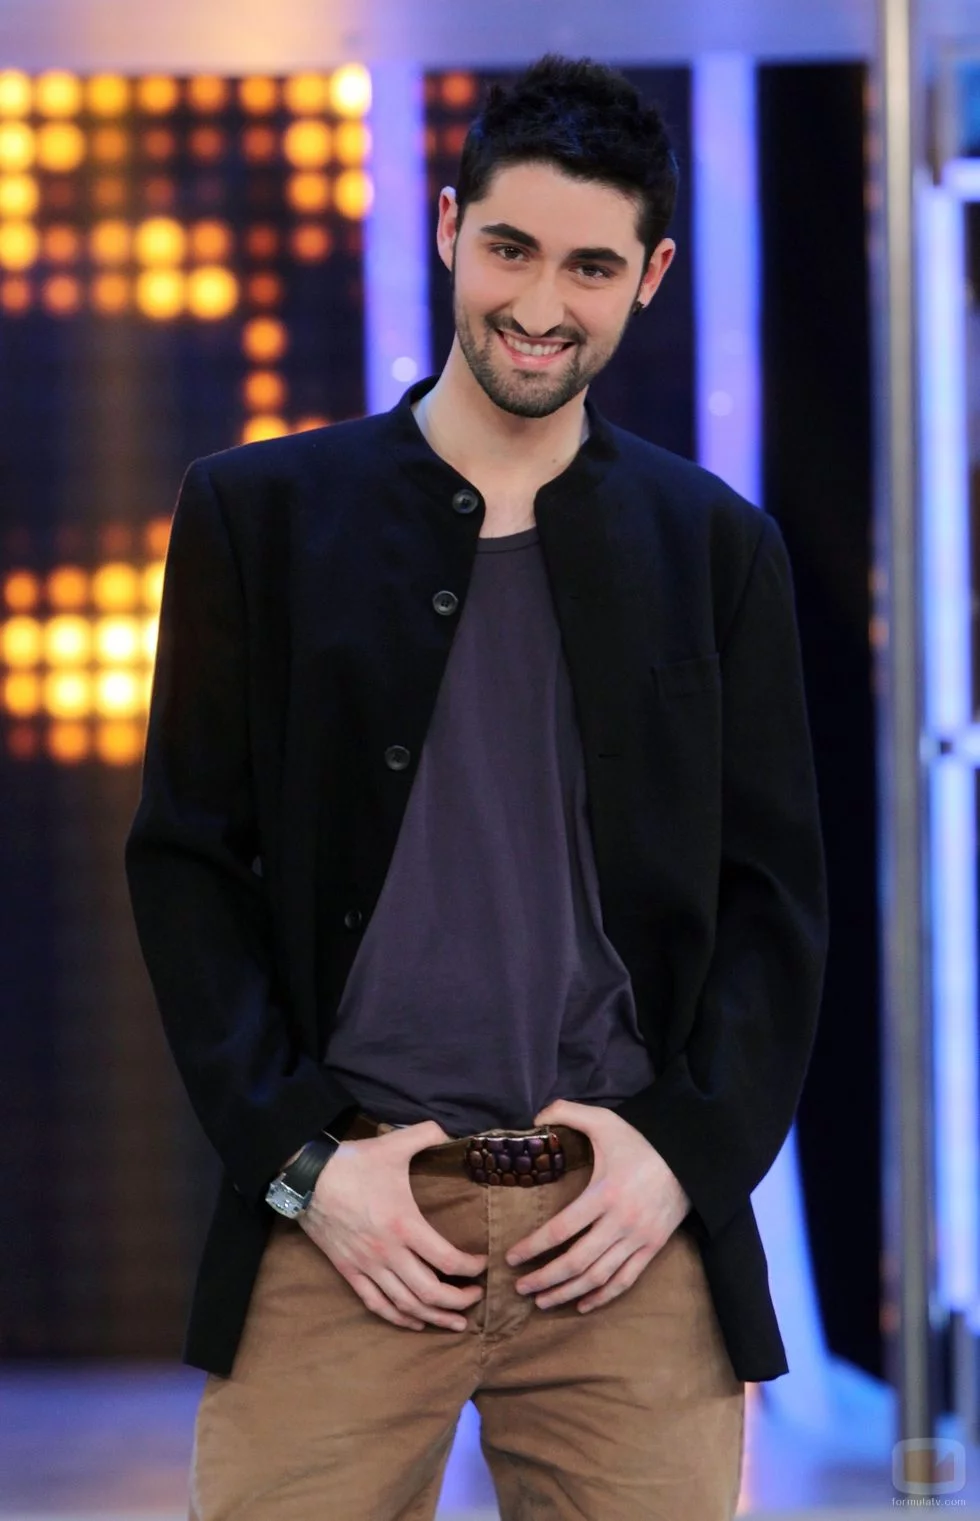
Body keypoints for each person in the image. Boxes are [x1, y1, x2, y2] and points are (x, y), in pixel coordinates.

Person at [125, 53, 828, 1521]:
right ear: (448, 227)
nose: (539, 304)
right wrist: (304, 1163)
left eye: (590, 266)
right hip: (347, 1216)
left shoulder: (717, 549)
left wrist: (682, 1159)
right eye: (510, 246)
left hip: (622, 1227)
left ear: (652, 277)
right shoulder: (258, 517)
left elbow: (775, 908)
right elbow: (188, 869)